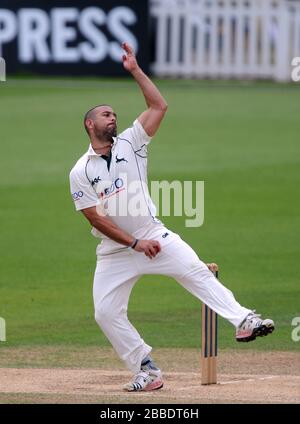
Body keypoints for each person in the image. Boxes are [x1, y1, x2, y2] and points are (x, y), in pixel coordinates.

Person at [69, 42, 274, 392]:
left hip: (153, 234)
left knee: (194, 270)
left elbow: (159, 105)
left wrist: (134, 70)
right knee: (105, 313)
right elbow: (96, 219)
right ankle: (145, 369)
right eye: (105, 114)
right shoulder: (80, 170)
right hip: (116, 251)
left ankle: (244, 320)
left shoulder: (131, 142)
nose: (113, 117)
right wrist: (134, 243)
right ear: (89, 124)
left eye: (115, 113)